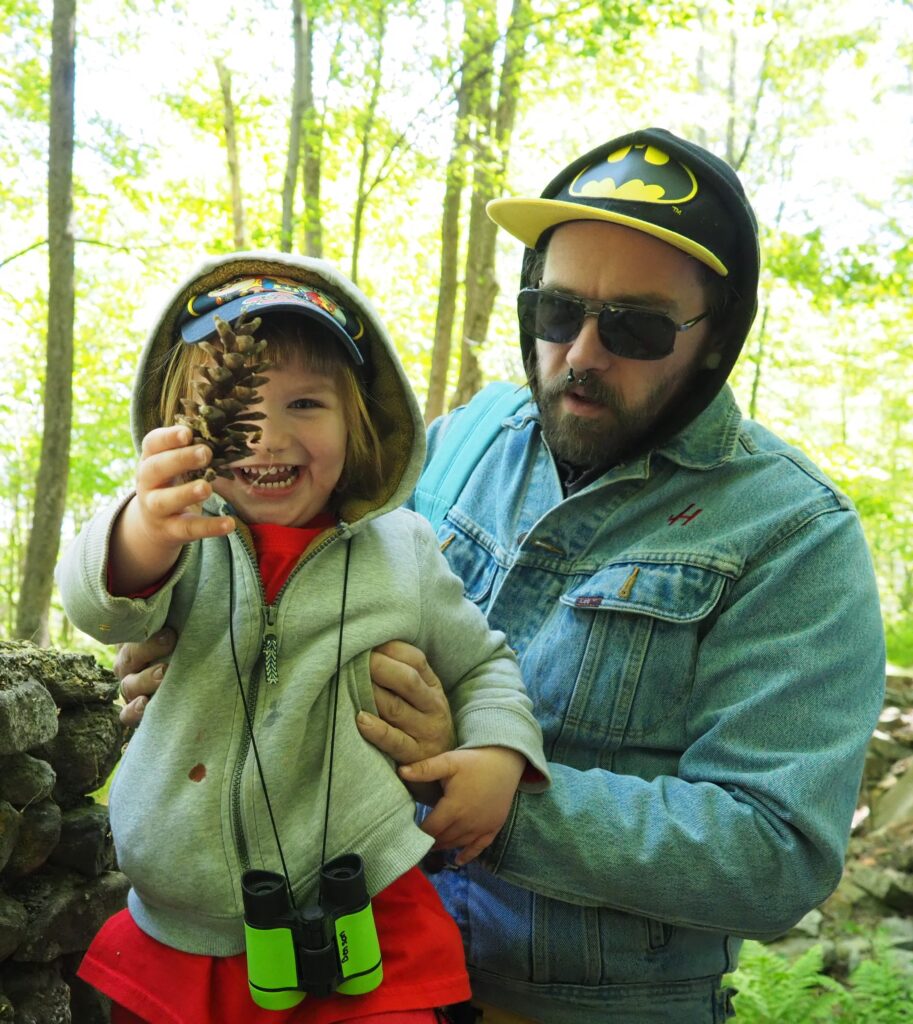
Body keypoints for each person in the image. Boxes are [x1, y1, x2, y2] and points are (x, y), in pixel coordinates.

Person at [112, 128, 886, 1024]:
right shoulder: (465, 437)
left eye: (633, 326)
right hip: (355, 971)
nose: (582, 353)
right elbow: (308, 571)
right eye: (557, 313)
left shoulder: (793, 534)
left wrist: (499, 800)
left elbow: (776, 851)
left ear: (716, 342)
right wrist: (204, 652)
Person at [56, 252, 549, 1024]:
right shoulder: (179, 543)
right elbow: (103, 605)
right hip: (181, 924)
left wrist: (495, 753)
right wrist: (143, 531)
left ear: (359, 425)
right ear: (180, 429)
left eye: (306, 405)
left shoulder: (405, 550)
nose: (265, 436)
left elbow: (482, 663)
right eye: (234, 409)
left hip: (361, 904)